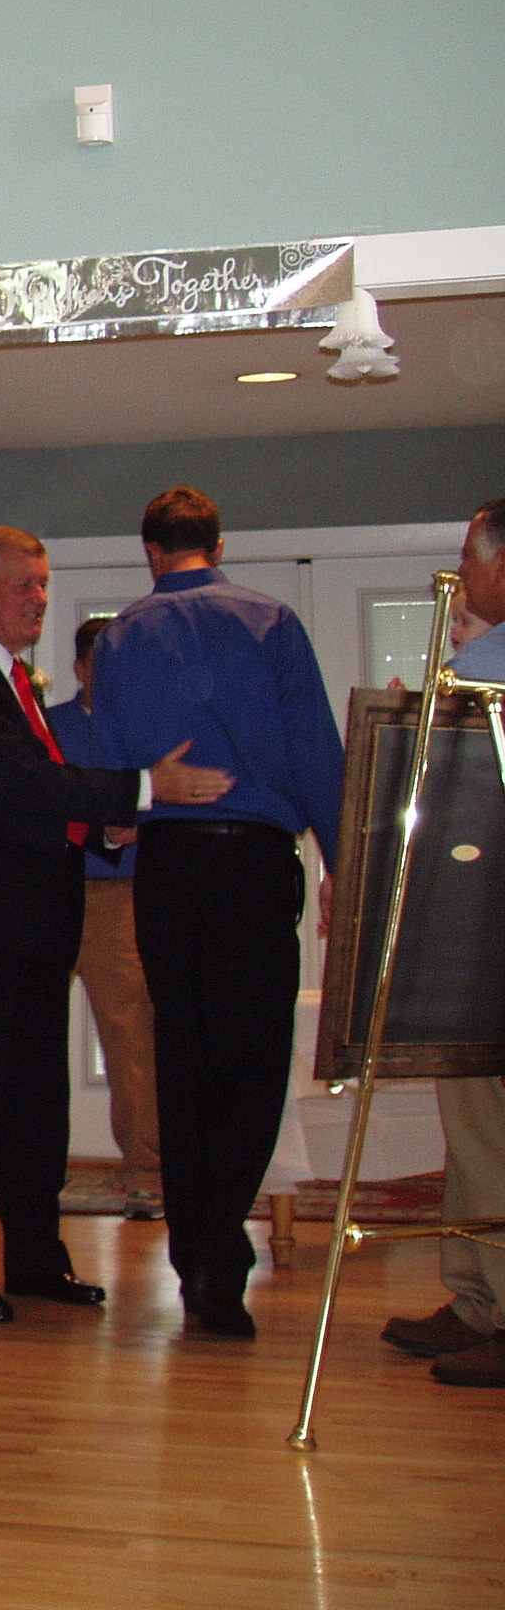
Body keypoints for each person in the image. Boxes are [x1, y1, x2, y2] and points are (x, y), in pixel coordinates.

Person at [0, 525, 231, 1324]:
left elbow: (30, 797)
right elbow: (14, 781)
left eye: (45, 585)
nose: (40, 599)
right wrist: (144, 790)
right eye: (26, 584)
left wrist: (100, 831)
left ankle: (34, 1261)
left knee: (36, 1107)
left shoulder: (14, 678)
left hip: (32, 931)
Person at [89, 487, 344, 1339]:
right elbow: (317, 755)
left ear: (152, 552)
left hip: (168, 868)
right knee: (258, 1061)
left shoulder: (121, 637)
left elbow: (115, 769)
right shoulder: (271, 623)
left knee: (184, 1057)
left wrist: (127, 816)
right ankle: (218, 1248)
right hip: (254, 864)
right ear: (218, 545)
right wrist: (343, 865)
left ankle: (198, 1250)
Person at [380, 493, 505, 1389]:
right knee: (472, 1125)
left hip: (489, 934)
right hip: (473, 934)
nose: (460, 576)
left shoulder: (486, 669)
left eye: (470, 558)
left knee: (490, 1129)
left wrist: (432, 700)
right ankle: (475, 1299)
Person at [47, 614, 164, 1220]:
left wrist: (134, 828)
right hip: (47, 891)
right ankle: (24, 1168)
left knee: (130, 1033)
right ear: (80, 668)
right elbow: (34, 799)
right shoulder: (48, 727)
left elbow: (169, 805)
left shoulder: (151, 729)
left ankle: (146, 1169)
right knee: (30, 1035)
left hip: (119, 898)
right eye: (104, 662)